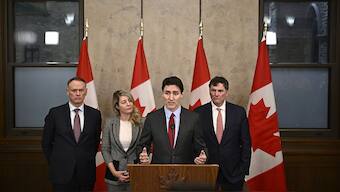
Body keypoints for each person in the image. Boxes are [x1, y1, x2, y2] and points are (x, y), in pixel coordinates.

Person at [41, 77, 102, 192]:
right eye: (74, 90)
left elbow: (95, 142)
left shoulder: (95, 115)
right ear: (67, 92)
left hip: (86, 173)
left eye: (81, 90)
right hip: (61, 173)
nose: (77, 93)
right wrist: (56, 161)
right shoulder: (55, 113)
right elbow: (46, 143)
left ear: (86, 91)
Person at [195, 76, 251, 191]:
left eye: (220, 91)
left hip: (234, 172)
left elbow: (246, 142)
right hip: (207, 170)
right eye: (213, 90)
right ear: (209, 91)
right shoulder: (198, 113)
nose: (216, 94)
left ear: (226, 92)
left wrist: (243, 170)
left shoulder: (239, 112)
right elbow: (195, 142)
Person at [137, 76, 207, 164]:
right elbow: (142, 145)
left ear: (181, 95)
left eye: (175, 93)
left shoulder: (193, 118)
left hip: (185, 172)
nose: (171, 98)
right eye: (167, 93)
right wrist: (142, 155)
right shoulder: (152, 118)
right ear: (162, 94)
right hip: (159, 172)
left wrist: (201, 157)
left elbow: (200, 147)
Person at [101, 90, 143, 191]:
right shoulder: (110, 123)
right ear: (117, 106)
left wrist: (138, 166)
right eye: (124, 102)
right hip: (114, 173)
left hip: (134, 172)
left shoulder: (141, 123)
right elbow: (105, 149)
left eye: (130, 101)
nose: (128, 104)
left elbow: (144, 147)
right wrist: (114, 172)